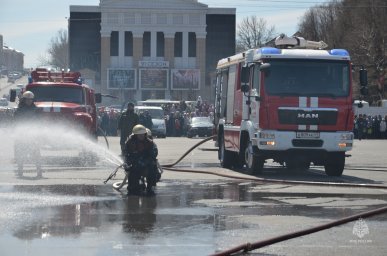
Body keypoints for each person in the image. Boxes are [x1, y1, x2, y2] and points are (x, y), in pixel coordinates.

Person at [123, 125, 159, 196]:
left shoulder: (149, 143)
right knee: (132, 176)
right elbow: (127, 154)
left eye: (142, 134)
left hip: (147, 164)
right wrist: (127, 163)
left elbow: (153, 156)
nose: (141, 136)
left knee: (152, 170)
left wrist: (144, 162)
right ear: (135, 135)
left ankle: (150, 188)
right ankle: (133, 189)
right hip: (135, 164)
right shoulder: (129, 143)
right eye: (139, 134)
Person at [13, 91, 42, 178]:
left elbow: (39, 121)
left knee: (36, 154)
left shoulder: (36, 109)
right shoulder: (19, 110)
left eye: (31, 100)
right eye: (27, 100)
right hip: (21, 135)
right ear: (24, 100)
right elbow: (15, 122)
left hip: (33, 135)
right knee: (20, 153)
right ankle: (20, 171)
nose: (29, 101)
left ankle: (39, 172)